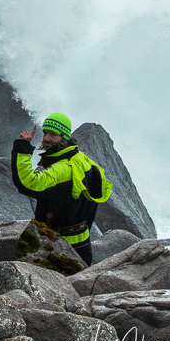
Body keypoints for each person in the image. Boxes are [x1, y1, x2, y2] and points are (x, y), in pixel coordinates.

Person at [11, 112, 112, 266]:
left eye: (53, 134)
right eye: (45, 133)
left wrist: (23, 148)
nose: (46, 138)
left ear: (64, 137)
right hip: (81, 244)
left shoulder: (64, 168)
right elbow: (91, 207)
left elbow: (29, 183)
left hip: (55, 246)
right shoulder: (83, 161)